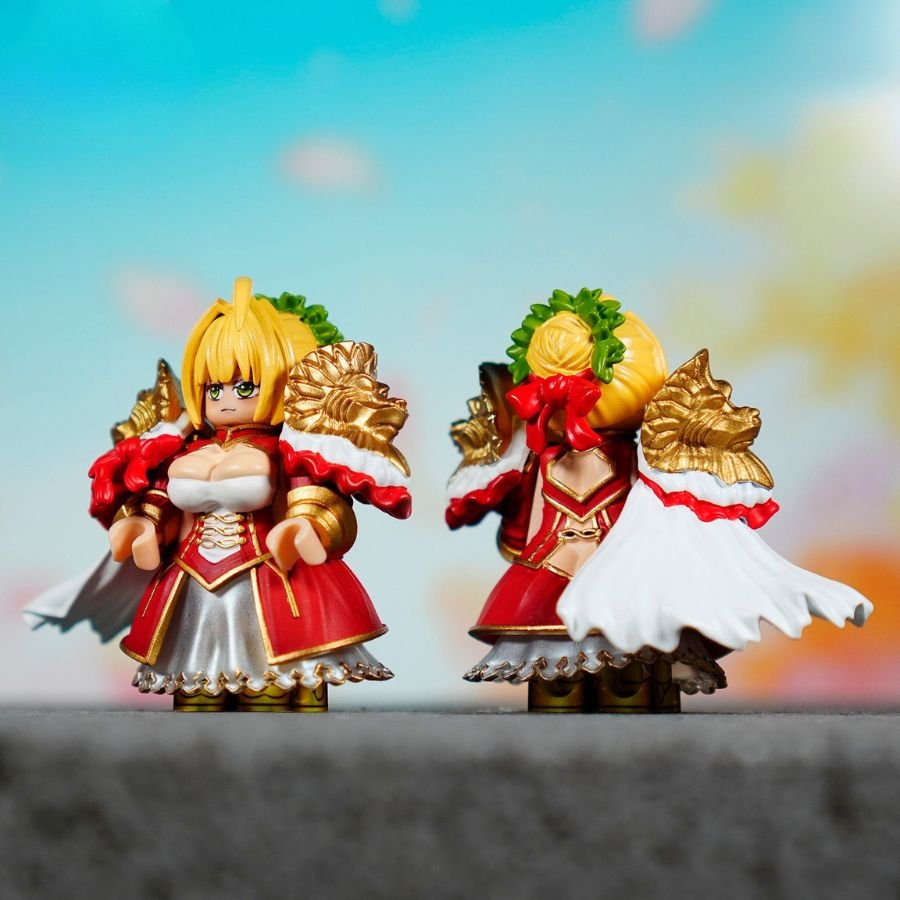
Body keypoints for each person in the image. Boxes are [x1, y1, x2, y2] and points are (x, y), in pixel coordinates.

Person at [26, 277, 412, 712]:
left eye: (245, 387)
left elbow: (316, 497)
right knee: (196, 687)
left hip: (269, 575)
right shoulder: (188, 447)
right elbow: (160, 496)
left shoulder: (290, 450)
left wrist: (308, 526)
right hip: (192, 581)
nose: (226, 399)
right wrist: (142, 524)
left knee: (272, 685)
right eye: (214, 388)